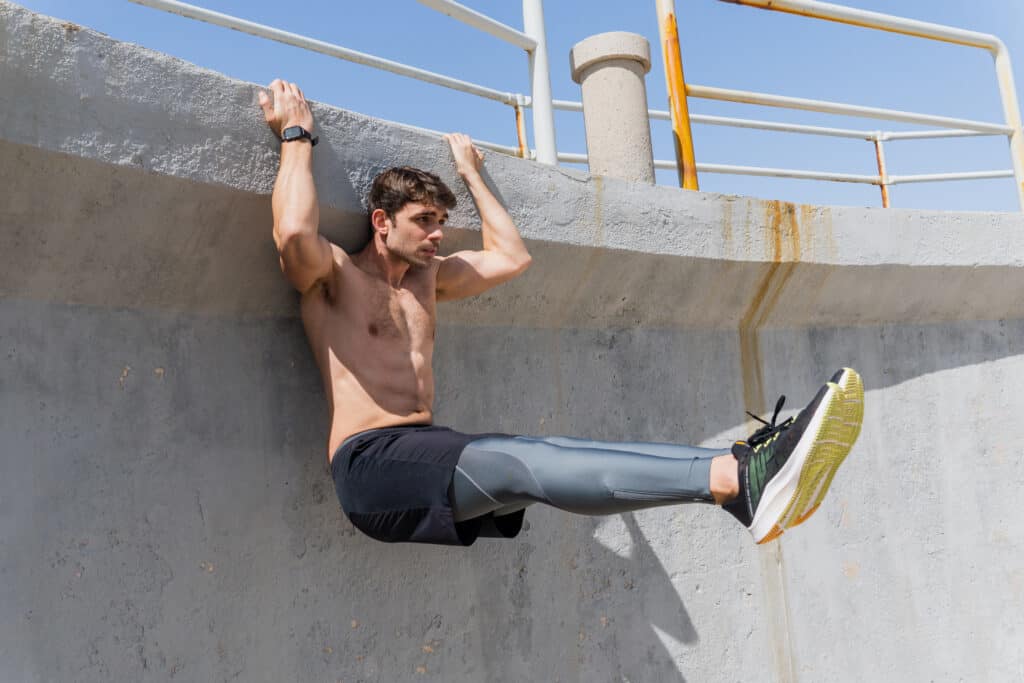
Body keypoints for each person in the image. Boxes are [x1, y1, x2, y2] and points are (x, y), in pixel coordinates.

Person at [258, 79, 864, 547]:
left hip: (424, 446)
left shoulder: (428, 282)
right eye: (425, 222)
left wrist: (472, 175)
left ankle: (741, 469)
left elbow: (512, 256)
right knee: (527, 463)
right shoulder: (335, 276)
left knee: (545, 447)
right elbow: (291, 235)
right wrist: (297, 137)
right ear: (382, 221)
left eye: (442, 223)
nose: (438, 236)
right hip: (370, 465)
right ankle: (737, 483)